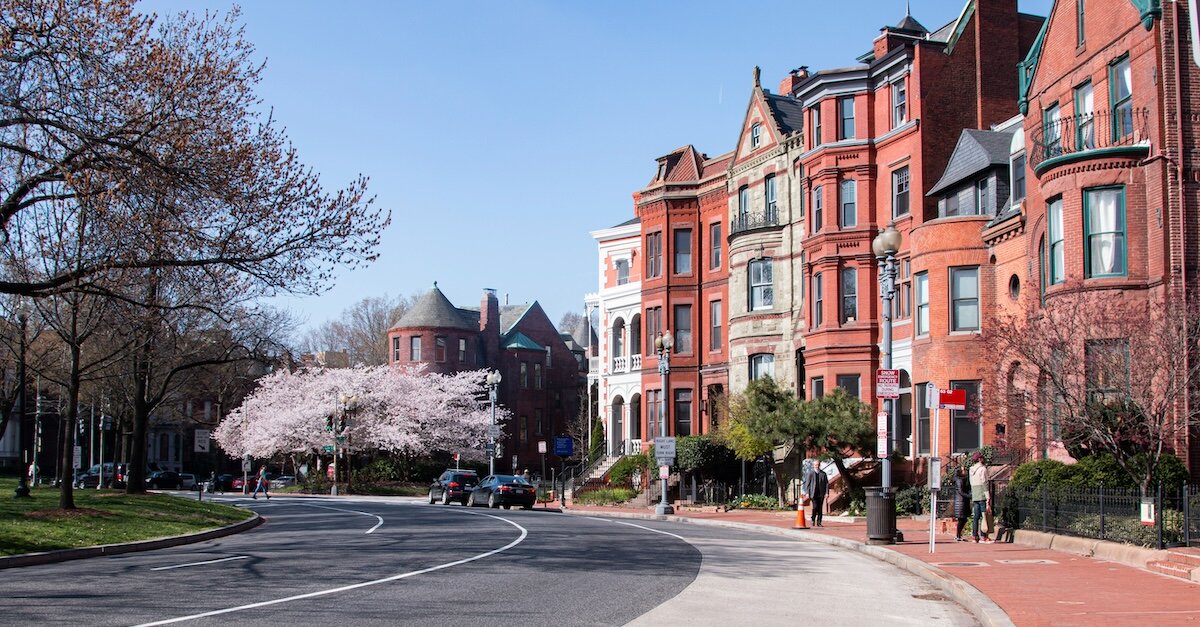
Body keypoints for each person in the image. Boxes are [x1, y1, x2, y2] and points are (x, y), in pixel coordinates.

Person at [969, 452, 991, 543]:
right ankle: (983, 536)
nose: (983, 459)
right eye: (982, 457)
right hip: (982, 494)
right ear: (979, 459)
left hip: (975, 494)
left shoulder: (971, 469)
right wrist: (988, 496)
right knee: (983, 516)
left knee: (976, 517)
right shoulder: (983, 469)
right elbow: (985, 483)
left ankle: (974, 536)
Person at [802, 460, 829, 527]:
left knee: (820, 508)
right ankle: (813, 519)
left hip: (821, 493)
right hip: (813, 493)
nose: (817, 466)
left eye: (818, 465)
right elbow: (807, 484)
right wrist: (807, 493)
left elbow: (826, 484)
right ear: (813, 465)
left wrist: (826, 493)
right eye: (816, 465)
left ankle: (819, 522)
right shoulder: (810, 473)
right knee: (815, 507)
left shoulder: (823, 474)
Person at [953, 465, 971, 541]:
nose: (965, 472)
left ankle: (959, 535)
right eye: (963, 470)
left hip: (962, 501)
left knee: (963, 519)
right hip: (961, 502)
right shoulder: (959, 480)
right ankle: (958, 535)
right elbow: (961, 491)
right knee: (962, 519)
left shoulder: (962, 479)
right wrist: (969, 496)